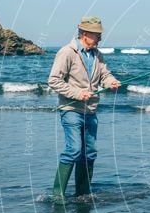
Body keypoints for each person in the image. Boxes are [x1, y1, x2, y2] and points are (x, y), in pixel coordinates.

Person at [48, 16, 121, 202]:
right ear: (84, 34)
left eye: (99, 35)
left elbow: (105, 74)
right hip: (71, 109)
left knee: (89, 152)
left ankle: (82, 194)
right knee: (74, 150)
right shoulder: (67, 52)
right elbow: (54, 80)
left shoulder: (97, 55)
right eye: (96, 35)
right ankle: (57, 195)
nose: (99, 38)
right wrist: (77, 93)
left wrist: (111, 82)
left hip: (91, 111)